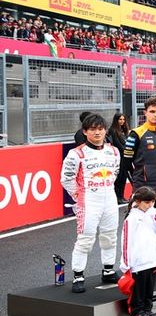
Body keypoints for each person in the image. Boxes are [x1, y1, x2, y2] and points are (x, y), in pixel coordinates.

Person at [60, 113, 120, 293]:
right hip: (88, 202)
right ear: (85, 132)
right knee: (85, 240)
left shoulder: (113, 151)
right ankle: (78, 275)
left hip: (109, 198)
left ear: (105, 131)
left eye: (100, 129)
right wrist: (78, 196)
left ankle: (108, 270)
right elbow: (66, 178)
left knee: (110, 237)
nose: (97, 133)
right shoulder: (76, 153)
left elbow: (115, 172)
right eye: (93, 129)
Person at [122, 96, 156, 271]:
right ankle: (134, 263)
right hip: (144, 191)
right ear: (145, 112)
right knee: (140, 228)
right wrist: (138, 186)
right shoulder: (136, 134)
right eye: (152, 111)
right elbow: (126, 162)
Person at [119, 186, 156, 316]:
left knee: (149, 287)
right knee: (138, 289)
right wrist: (126, 263)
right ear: (138, 201)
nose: (150, 205)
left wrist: (154, 214)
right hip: (137, 262)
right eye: (147, 202)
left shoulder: (152, 213)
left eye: (152, 202)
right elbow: (126, 241)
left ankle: (147, 309)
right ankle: (136, 312)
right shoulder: (132, 218)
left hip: (151, 258)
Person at [108, 112, 129, 203]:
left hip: (125, 156)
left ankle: (121, 196)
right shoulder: (113, 130)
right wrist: (126, 150)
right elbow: (117, 144)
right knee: (119, 177)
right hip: (118, 156)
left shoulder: (124, 130)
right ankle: (117, 197)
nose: (122, 121)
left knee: (124, 176)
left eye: (123, 119)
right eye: (120, 119)